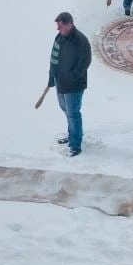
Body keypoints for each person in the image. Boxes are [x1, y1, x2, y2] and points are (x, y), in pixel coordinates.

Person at [48, 12, 91, 157]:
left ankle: (75, 144)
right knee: (65, 109)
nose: (58, 29)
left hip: (74, 84)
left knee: (73, 113)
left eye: (60, 26)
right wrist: (52, 75)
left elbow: (85, 61)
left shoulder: (80, 40)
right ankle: (73, 133)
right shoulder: (60, 38)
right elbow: (54, 57)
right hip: (60, 81)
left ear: (69, 24)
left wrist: (73, 76)